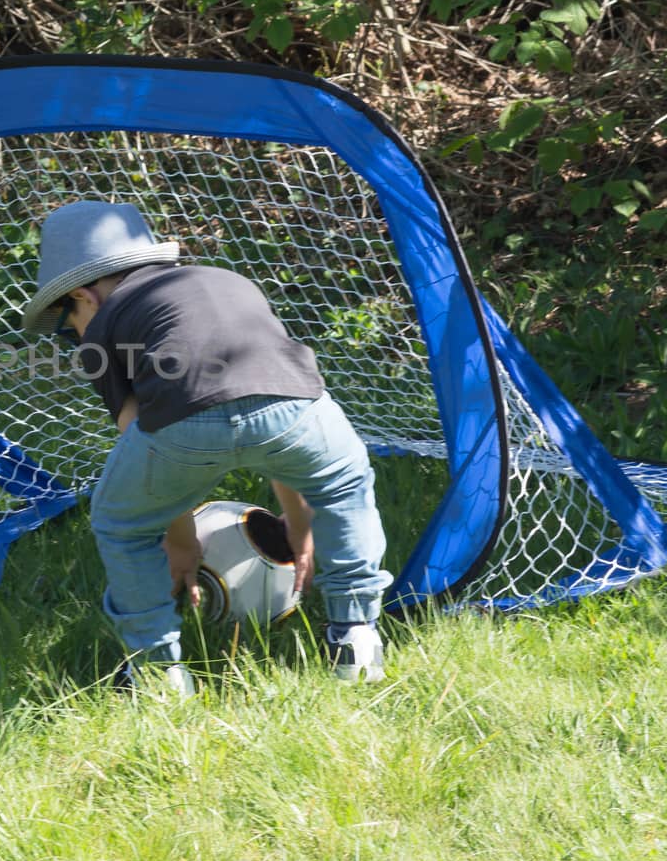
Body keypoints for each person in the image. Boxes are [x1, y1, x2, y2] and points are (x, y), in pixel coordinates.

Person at [21, 200, 392, 692]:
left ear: (84, 295)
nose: (73, 335)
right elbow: (263, 387)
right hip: (297, 408)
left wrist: (179, 541)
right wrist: (299, 526)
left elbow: (137, 432)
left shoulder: (107, 327)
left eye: (68, 323)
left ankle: (157, 673)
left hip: (185, 421)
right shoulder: (224, 280)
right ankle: (355, 635)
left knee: (121, 524)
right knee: (343, 484)